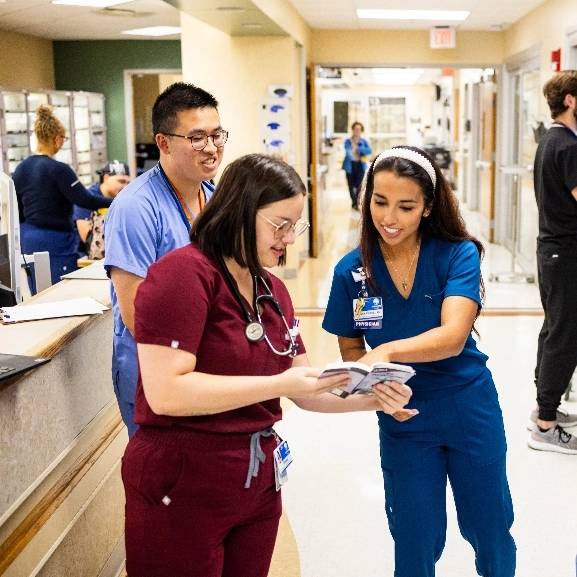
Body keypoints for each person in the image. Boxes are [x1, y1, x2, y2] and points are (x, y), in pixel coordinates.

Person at [123, 153, 413, 577]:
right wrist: (277, 382)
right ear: (239, 211)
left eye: (295, 226)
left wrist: (373, 399)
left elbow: (306, 388)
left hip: (256, 477)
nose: (290, 238)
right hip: (185, 475)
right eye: (280, 225)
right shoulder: (182, 276)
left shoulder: (272, 288)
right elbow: (167, 393)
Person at [323, 146, 516, 577]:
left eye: (406, 206)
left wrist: (388, 350)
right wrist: (373, 388)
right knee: (414, 536)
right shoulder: (350, 272)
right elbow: (353, 351)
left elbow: (452, 337)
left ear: (428, 207)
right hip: (403, 416)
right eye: (379, 201)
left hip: (469, 406)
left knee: (491, 527)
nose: (389, 217)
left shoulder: (457, 254)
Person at [104, 82, 223, 437]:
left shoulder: (214, 198)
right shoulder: (135, 209)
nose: (211, 148)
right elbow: (138, 316)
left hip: (204, 366)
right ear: (163, 142)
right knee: (164, 483)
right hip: (156, 376)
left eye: (217, 135)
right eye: (197, 138)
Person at [528, 70, 577, 453]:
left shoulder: (550, 139)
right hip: (566, 252)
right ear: (571, 100)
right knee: (566, 335)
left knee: (554, 329)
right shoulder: (568, 146)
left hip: (553, 249)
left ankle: (544, 407)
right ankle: (546, 424)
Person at [12, 104, 112, 287]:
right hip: (54, 240)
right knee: (60, 289)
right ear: (57, 139)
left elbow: (17, 209)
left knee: (38, 289)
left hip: (28, 236)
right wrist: (117, 202)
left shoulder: (21, 168)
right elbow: (84, 200)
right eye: (64, 139)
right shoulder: (59, 169)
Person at [74, 160, 130, 258]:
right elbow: (86, 238)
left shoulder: (123, 199)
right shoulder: (88, 198)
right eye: (121, 181)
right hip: (86, 258)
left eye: (128, 183)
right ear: (106, 178)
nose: (125, 187)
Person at [342, 121, 372, 209]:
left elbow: (369, 151)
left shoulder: (364, 141)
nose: (357, 131)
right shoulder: (348, 141)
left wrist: (359, 149)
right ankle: (354, 202)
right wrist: (352, 153)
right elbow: (348, 152)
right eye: (355, 129)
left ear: (361, 130)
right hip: (350, 166)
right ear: (353, 130)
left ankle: (357, 202)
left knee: (359, 184)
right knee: (351, 185)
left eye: (359, 129)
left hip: (360, 165)